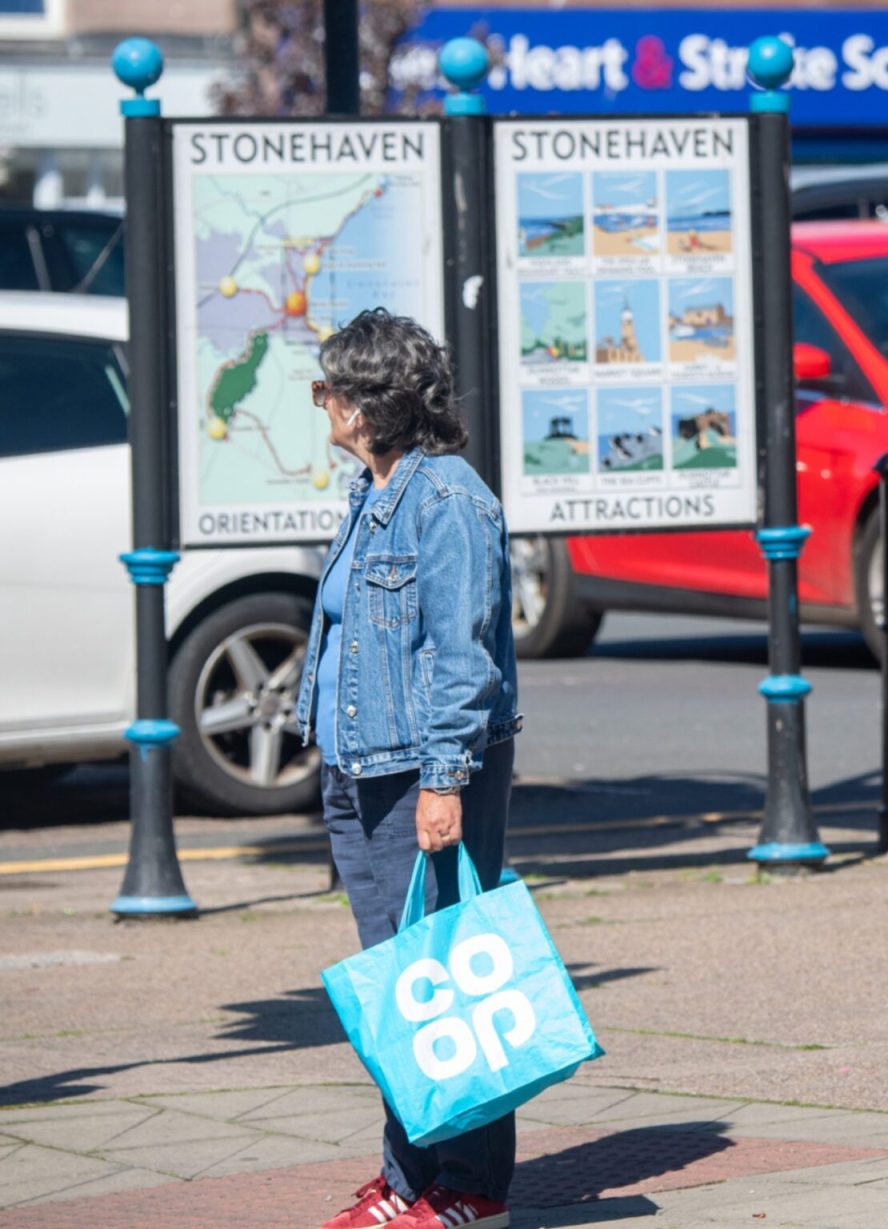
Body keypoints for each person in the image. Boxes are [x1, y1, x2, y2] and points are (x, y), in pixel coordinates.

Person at [296, 309, 522, 1229]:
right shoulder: (374, 491)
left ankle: (468, 1188)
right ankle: (406, 1177)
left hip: (417, 775)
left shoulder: (449, 501)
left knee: (444, 985)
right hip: (360, 771)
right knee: (405, 992)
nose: (323, 404)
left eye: (331, 390)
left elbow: (463, 658)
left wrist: (443, 780)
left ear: (373, 403)